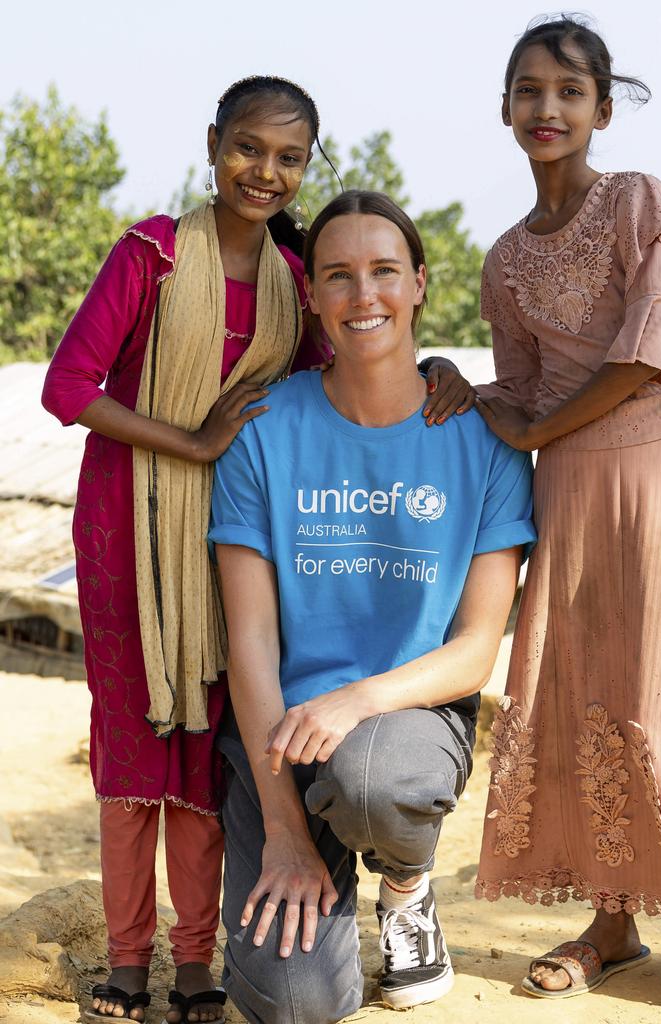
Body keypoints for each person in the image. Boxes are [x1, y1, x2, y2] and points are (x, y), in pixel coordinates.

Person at [456, 15, 661, 1016]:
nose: (548, 108)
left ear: (603, 110)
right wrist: (464, 391)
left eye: (570, 92)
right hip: (567, 479)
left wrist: (533, 431)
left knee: (659, 689)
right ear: (505, 111)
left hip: (651, 461)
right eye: (529, 91)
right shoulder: (501, 259)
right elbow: (524, 392)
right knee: (579, 684)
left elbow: (644, 351)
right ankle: (612, 924)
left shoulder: (636, 200)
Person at [41, 75, 336, 1024]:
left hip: (236, 542)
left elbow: (335, 389)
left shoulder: (297, 285)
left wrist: (440, 372)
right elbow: (69, 387)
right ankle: (130, 964)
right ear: (214, 143)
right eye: (250, 147)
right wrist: (197, 441)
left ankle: (197, 964)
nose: (267, 171)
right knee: (136, 755)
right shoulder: (154, 257)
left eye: (290, 157)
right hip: (127, 527)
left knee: (206, 756)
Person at [208, 190, 536, 1023]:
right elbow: (248, 644)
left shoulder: (483, 437)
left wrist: (360, 698)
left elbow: (473, 652)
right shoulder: (261, 429)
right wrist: (282, 829)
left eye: (385, 271)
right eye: (339, 276)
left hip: (406, 724)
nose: (365, 296)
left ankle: (405, 889)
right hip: (279, 735)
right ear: (312, 295)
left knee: (375, 779)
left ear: (420, 283)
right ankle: (312, 872)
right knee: (295, 1005)